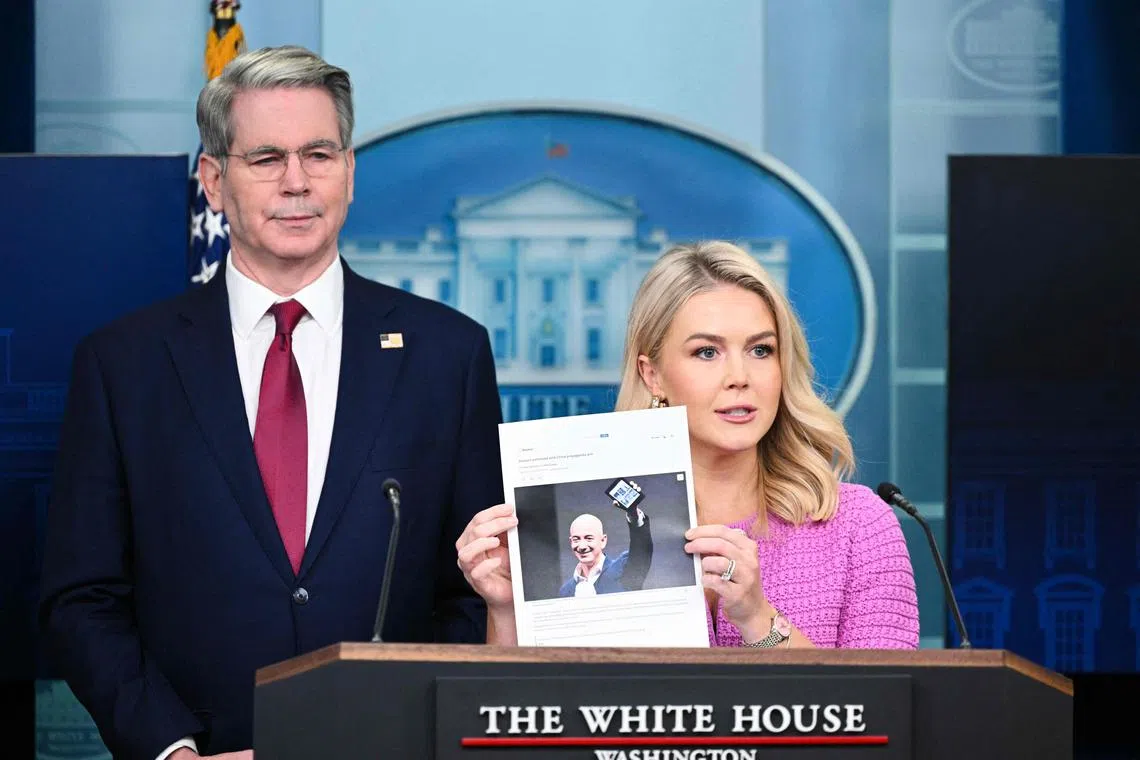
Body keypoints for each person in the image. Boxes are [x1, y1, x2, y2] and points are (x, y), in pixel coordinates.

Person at [38, 46, 503, 760]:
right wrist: (173, 748)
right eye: (265, 159)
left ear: (349, 173)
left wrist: (393, 733)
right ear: (214, 180)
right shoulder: (121, 365)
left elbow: (476, 590)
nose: (297, 183)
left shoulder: (450, 355)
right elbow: (82, 597)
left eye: (319, 154)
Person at [457, 240, 919, 650]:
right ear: (652, 374)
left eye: (761, 350)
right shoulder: (601, 545)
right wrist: (507, 610)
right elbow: (524, 718)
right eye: (707, 352)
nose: (740, 377)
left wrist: (757, 618)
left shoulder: (858, 526)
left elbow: (884, 715)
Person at [559, 498, 653, 597]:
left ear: (603, 541)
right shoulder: (566, 591)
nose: (582, 546)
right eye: (576, 539)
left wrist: (633, 514)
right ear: (570, 542)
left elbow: (642, 550)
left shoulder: (624, 569)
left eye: (589, 538)